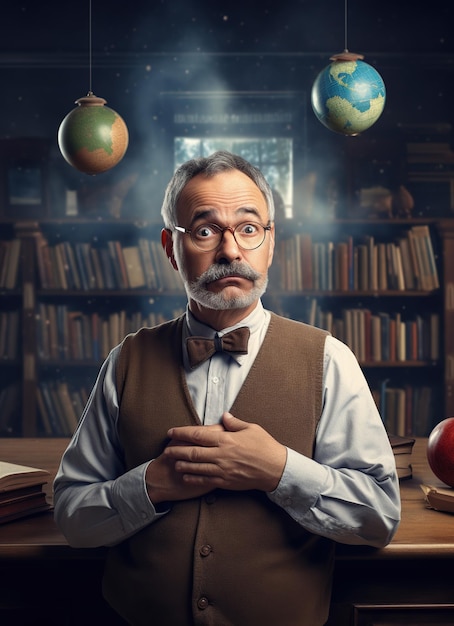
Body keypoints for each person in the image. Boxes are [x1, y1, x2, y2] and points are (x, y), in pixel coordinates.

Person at [53, 150, 401, 626]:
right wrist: (152, 485)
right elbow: (73, 515)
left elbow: (379, 516)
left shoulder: (328, 358)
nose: (231, 251)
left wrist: (278, 470)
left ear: (270, 242)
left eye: (249, 228)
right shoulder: (126, 362)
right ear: (171, 248)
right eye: (204, 230)